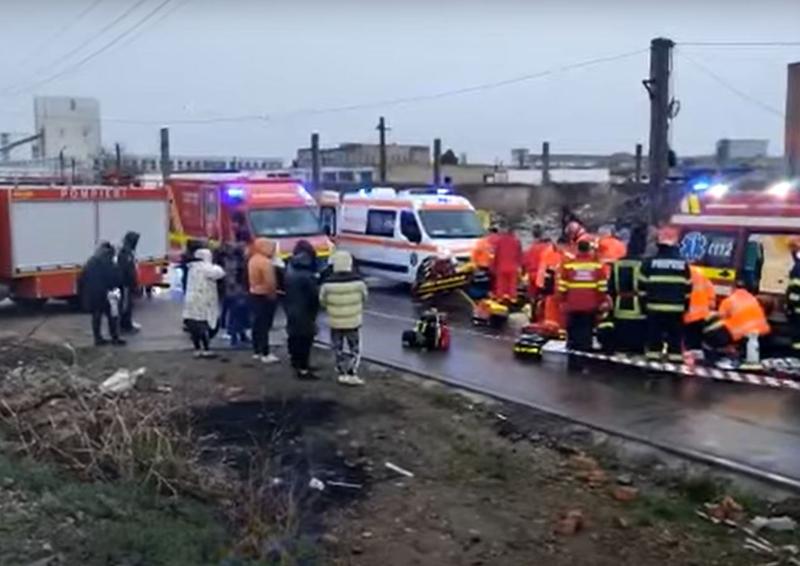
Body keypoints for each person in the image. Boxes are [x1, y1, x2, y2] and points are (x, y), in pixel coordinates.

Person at [639, 226, 692, 362]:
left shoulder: (649, 263)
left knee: (654, 334)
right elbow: (688, 289)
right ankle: (675, 358)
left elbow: (642, 288)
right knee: (675, 335)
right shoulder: (683, 264)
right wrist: (685, 306)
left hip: (654, 307)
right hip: (676, 308)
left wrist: (643, 306)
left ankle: (653, 359)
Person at [320, 250, 368, 386]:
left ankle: (341, 372)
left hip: (335, 322)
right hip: (353, 321)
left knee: (337, 348)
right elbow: (365, 297)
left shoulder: (327, 284)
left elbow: (322, 301)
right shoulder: (359, 282)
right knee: (354, 348)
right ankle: (352, 372)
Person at [558, 239, 607, 351]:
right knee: (587, 329)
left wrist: (562, 301)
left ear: (577, 249)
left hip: (572, 304)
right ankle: (585, 349)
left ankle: (572, 347)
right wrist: (601, 301)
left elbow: (562, 286)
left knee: (573, 327)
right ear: (589, 250)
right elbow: (602, 287)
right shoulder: (597, 266)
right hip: (590, 305)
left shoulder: (569, 265)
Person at [707, 282, 770, 369]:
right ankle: (747, 357)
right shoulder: (753, 299)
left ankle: (730, 353)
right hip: (763, 331)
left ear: (733, 289)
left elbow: (720, 319)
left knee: (714, 331)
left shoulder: (728, 301)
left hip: (743, 333)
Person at [606, 224, 647, 353]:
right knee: (636, 341)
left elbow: (611, 286)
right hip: (639, 307)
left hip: (619, 305)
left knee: (622, 337)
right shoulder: (644, 264)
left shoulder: (618, 263)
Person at [284, 241, 321, 379]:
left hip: (291, 307)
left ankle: (296, 363)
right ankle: (303, 368)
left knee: (294, 337)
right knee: (305, 339)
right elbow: (314, 295)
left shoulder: (290, 269)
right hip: (304, 310)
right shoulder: (306, 275)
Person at [183, 249, 226, 357]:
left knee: (194, 326)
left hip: (191, 300)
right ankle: (206, 349)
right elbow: (220, 273)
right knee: (205, 325)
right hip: (204, 300)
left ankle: (197, 349)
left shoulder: (192, 267)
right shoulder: (206, 268)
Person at [81, 242, 125, 346]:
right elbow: (113, 277)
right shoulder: (108, 261)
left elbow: (82, 278)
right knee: (112, 315)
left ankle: (98, 338)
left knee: (96, 316)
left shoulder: (91, 261)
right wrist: (115, 287)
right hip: (107, 293)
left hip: (93, 293)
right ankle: (115, 338)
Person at [248, 237, 279, 364]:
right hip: (265, 295)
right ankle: (266, 353)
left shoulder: (253, 259)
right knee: (265, 325)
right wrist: (273, 295)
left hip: (254, 293)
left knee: (257, 324)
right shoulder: (265, 263)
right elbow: (270, 282)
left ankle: (256, 351)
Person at [221, 242, 250, 347]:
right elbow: (231, 276)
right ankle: (235, 337)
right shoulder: (234, 262)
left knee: (238, 314)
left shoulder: (230, 260)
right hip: (236, 290)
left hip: (234, 290)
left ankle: (240, 335)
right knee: (236, 315)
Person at [684, 265, 716, 353]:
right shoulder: (699, 272)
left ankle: (689, 355)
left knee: (688, 339)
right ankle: (697, 355)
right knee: (697, 339)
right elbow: (710, 287)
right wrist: (711, 302)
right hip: (702, 312)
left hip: (689, 313)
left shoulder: (683, 272)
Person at [117, 231, 140, 333]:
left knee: (126, 304)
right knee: (126, 305)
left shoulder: (126, 251)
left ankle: (126, 324)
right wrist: (134, 283)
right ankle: (125, 326)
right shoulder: (126, 253)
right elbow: (128, 270)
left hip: (125, 283)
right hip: (126, 284)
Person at [491, 224, 522, 302]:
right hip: (513, 268)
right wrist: (520, 266)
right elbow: (519, 255)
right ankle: (513, 299)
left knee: (500, 286)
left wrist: (493, 267)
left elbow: (496, 255)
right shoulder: (516, 241)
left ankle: (500, 299)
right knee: (512, 285)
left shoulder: (499, 241)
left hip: (501, 267)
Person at [523, 225, 550, 301]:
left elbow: (524, 263)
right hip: (543, 276)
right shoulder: (548, 248)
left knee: (532, 296)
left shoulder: (530, 248)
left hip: (532, 275)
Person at [786, 243, 800, 354]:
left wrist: (790, 306)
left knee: (797, 335)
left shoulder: (797, 268)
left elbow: (795, 289)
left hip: (797, 309)